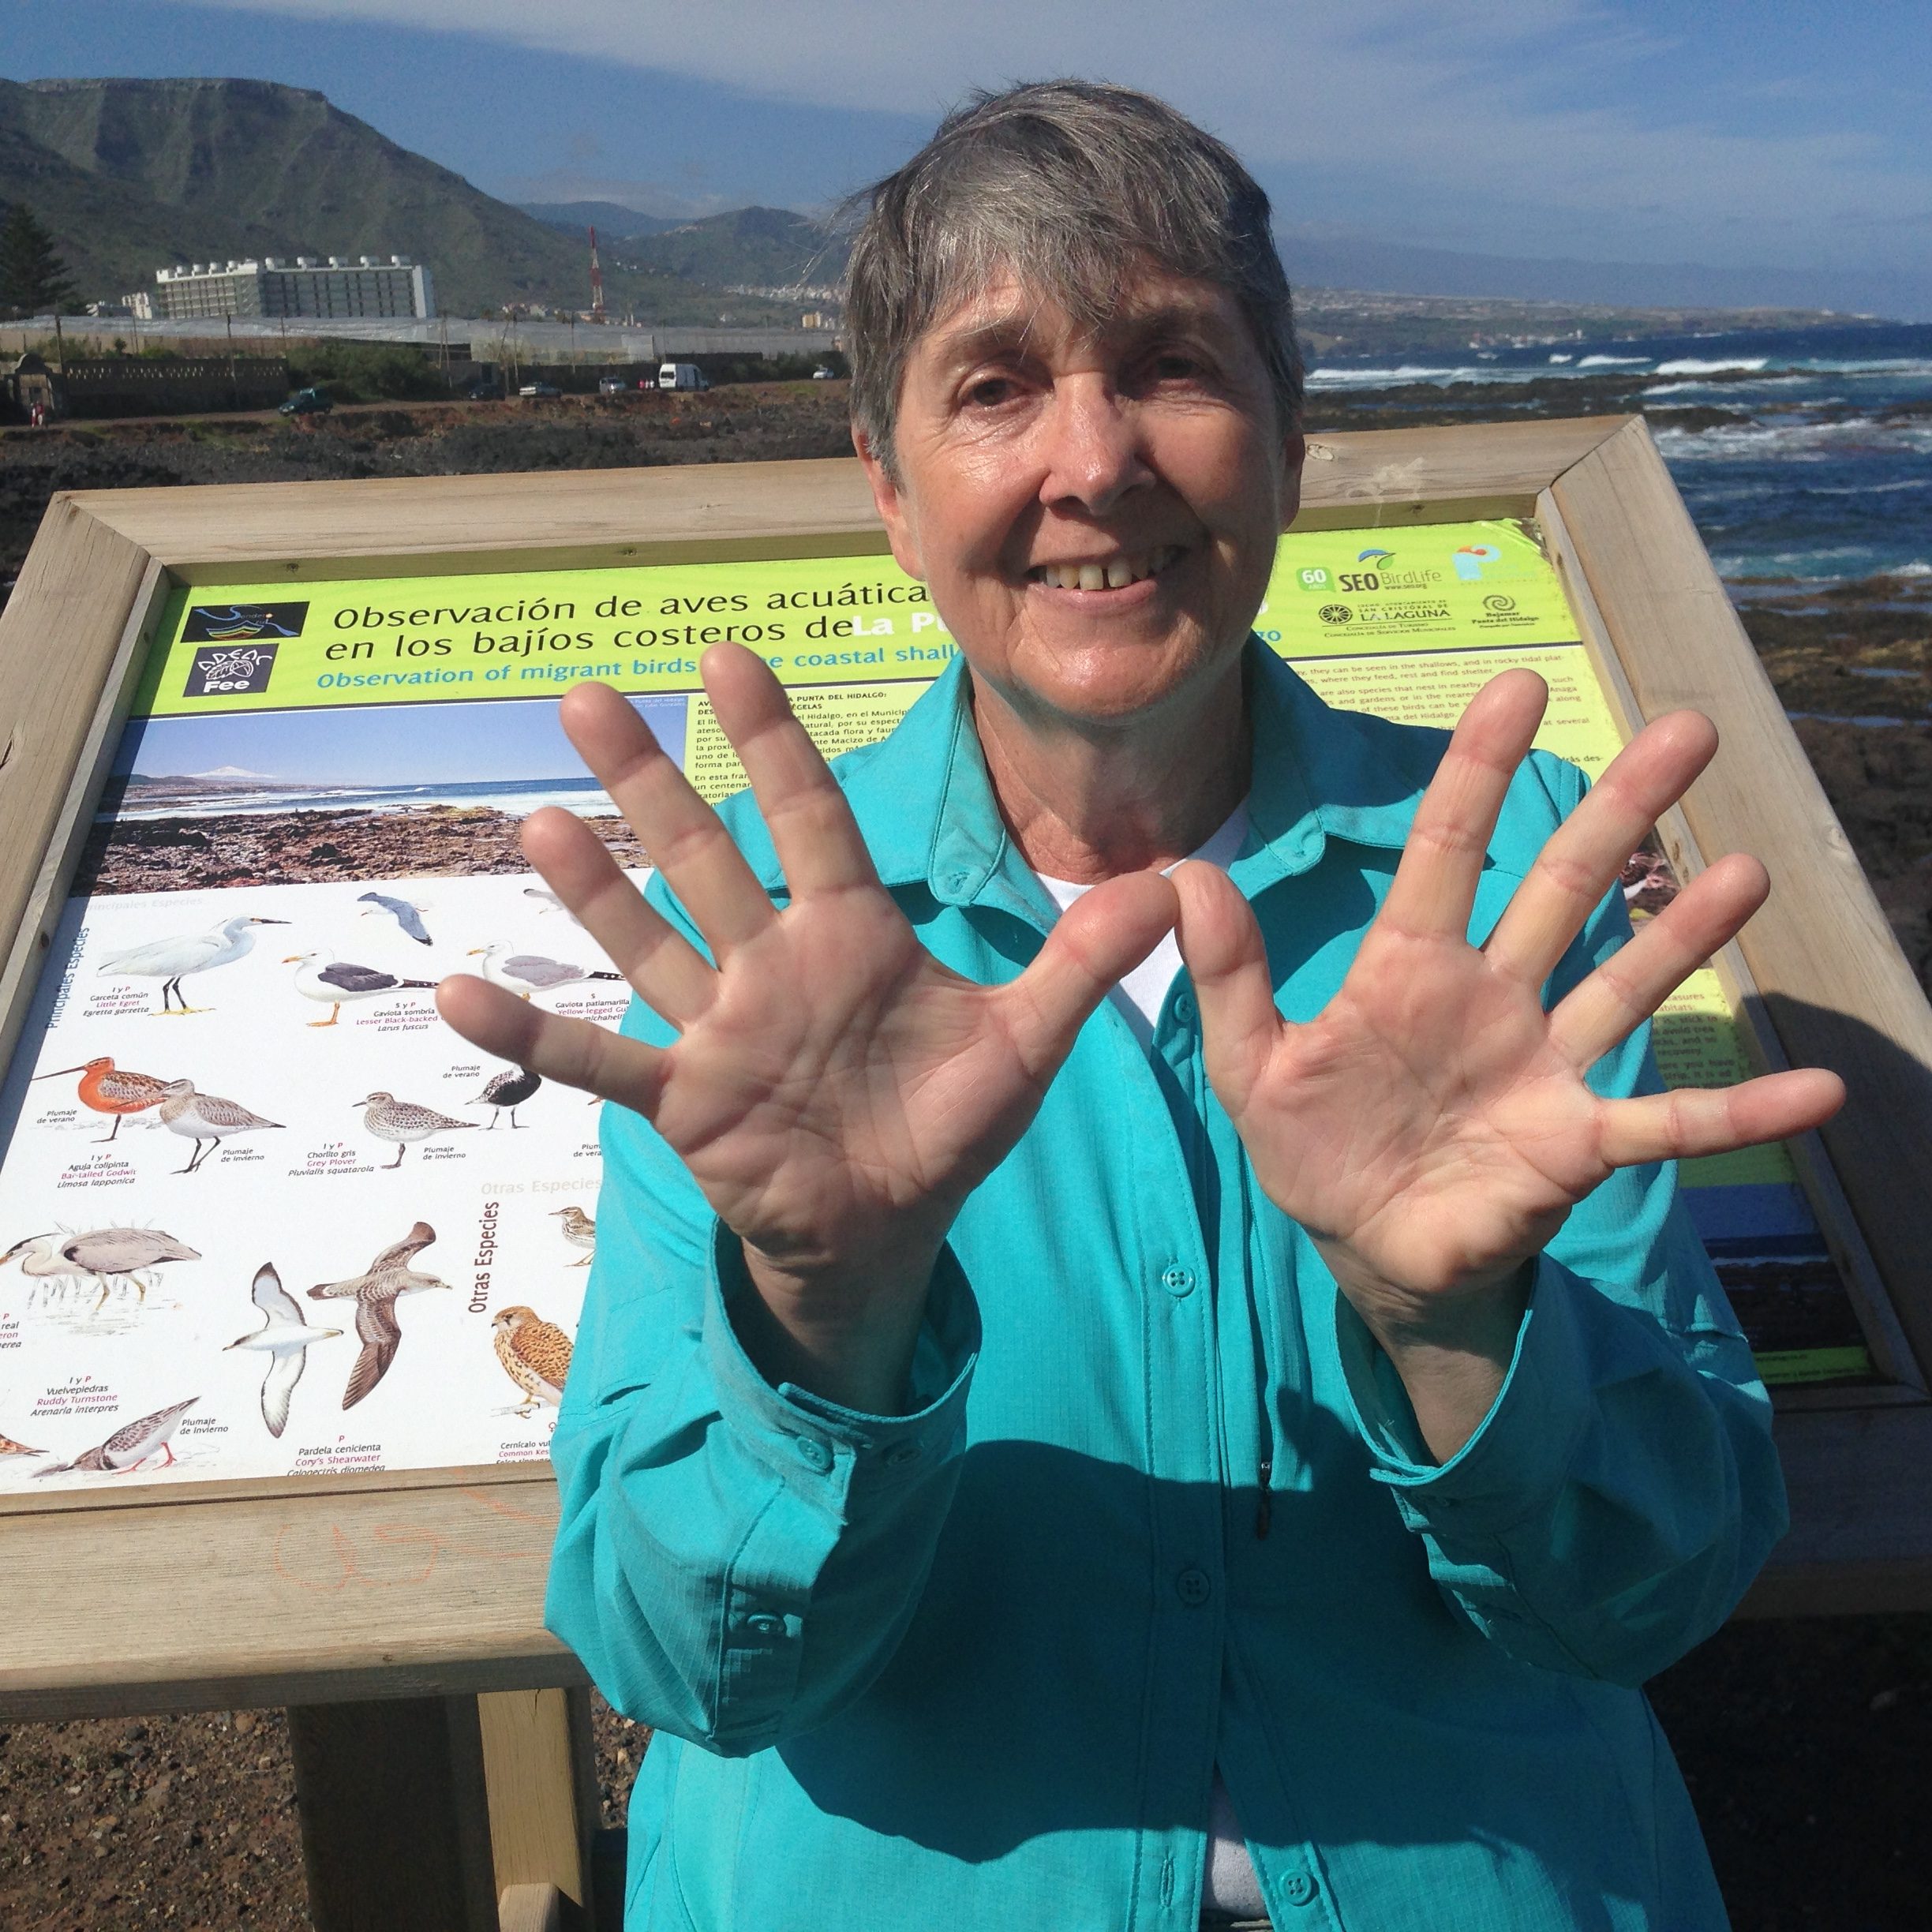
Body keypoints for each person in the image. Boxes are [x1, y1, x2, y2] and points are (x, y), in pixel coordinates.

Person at [439, 81, 1843, 1932]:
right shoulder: (763, 961)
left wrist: (1455, 1327)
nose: (1093, 462)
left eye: (1172, 363)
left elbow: (1647, 1595)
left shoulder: (1504, 900)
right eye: (996, 384)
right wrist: (824, 1316)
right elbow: (682, 1658)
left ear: (1290, 438)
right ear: (887, 481)